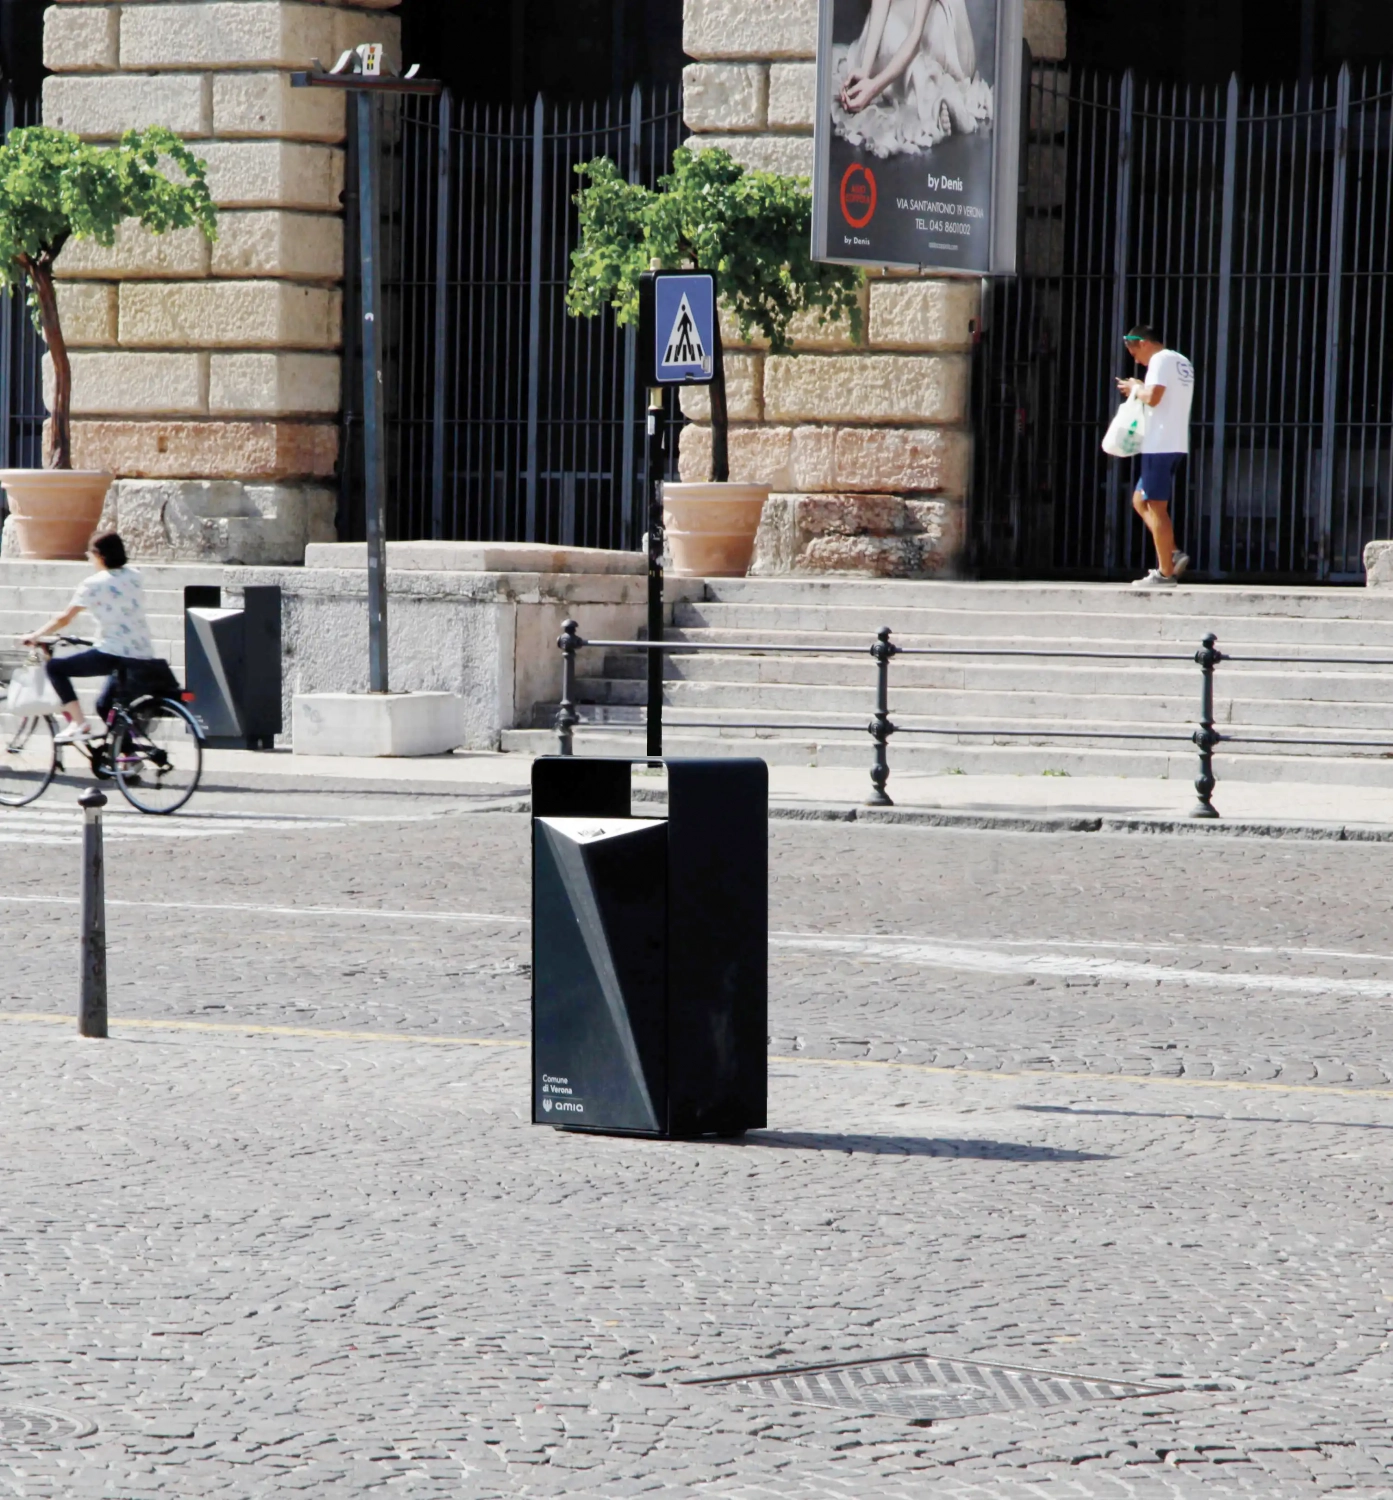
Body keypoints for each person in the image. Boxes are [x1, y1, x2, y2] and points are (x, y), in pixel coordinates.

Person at [21, 530, 155, 744]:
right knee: (105, 706)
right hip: (142, 653)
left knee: (55, 667)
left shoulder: (93, 584)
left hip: (113, 652)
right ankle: (127, 761)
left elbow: (64, 618)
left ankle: (79, 723)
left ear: (100, 556)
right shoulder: (135, 576)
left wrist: (36, 635)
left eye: (90, 554)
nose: (89, 558)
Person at [833, 0, 994, 157]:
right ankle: (925, 94)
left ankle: (933, 95)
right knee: (884, 33)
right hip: (909, 14)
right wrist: (865, 71)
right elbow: (879, 9)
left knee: (894, 33)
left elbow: (915, 37)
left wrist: (875, 87)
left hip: (946, 32)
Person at [1116, 324, 1195, 589]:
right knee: (1140, 500)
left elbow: (1154, 397)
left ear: (1144, 343)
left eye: (1135, 353)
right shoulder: (1181, 360)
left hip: (1159, 444)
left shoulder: (1160, 360)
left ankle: (1164, 573)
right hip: (1175, 442)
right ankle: (1171, 551)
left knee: (1156, 507)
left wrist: (1136, 388)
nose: (1136, 360)